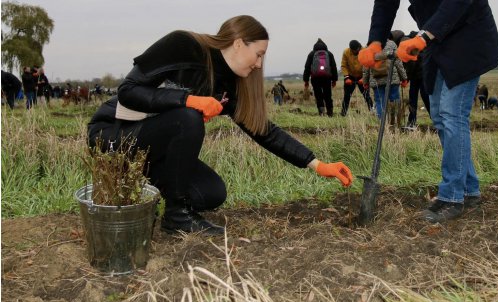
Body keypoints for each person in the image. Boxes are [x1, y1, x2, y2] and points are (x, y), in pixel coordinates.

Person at [87, 16, 353, 235]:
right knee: (188, 117)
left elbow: (265, 131)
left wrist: (317, 164)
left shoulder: (228, 89)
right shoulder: (183, 45)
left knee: (211, 193)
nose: (259, 64)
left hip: (153, 148)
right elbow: (128, 91)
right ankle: (176, 216)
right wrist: (189, 99)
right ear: (238, 44)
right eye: (258, 54)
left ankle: (141, 196)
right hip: (113, 133)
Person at [358, 0, 498, 223]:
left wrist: (424, 36)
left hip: (468, 35)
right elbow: (385, 0)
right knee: (438, 113)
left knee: (452, 114)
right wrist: (374, 41)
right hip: (437, 40)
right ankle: (470, 189)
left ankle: (452, 197)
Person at [361, 37, 408, 126]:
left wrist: (365, 81)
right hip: (392, 79)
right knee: (394, 100)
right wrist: (404, 78)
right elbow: (398, 62)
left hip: (376, 80)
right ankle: (395, 123)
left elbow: (365, 67)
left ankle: (383, 124)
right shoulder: (392, 44)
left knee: (379, 102)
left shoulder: (368, 47)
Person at [303, 39, 338, 116]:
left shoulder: (311, 54)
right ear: (325, 46)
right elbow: (333, 67)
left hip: (315, 78)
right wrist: (334, 79)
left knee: (318, 95)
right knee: (328, 95)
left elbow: (307, 67)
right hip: (327, 78)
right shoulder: (329, 54)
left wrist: (306, 80)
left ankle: (321, 112)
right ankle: (330, 113)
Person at [403, 31, 430, 129]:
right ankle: (412, 121)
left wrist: (406, 78)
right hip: (417, 77)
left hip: (421, 77)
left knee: (423, 97)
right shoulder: (420, 48)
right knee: (414, 99)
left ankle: (435, 119)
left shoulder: (418, 50)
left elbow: (412, 66)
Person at [340, 40, 373, 116]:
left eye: (357, 49)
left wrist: (364, 78)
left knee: (366, 95)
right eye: (354, 50)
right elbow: (344, 66)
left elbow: (368, 65)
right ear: (351, 49)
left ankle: (372, 111)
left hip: (362, 75)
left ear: (359, 47)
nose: (356, 51)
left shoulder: (365, 51)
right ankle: (343, 113)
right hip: (350, 76)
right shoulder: (346, 52)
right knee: (346, 96)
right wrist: (346, 77)